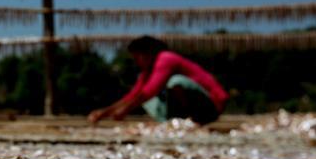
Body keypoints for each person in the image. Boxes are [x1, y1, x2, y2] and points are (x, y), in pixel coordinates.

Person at [88, 36, 228, 125]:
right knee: (145, 100)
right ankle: (175, 123)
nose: (136, 62)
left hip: (212, 106)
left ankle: (191, 119)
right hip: (198, 109)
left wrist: (125, 110)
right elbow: (133, 95)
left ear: (147, 53)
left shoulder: (166, 58)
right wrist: (104, 113)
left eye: (137, 57)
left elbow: (150, 91)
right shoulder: (147, 71)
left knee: (175, 81)